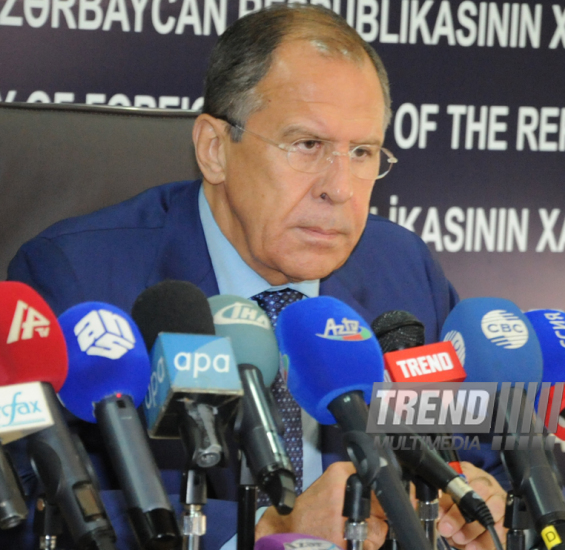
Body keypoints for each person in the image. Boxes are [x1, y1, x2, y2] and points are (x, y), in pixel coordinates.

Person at [5, 5, 507, 550]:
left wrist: (476, 497)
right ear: (215, 150)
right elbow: (33, 511)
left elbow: (475, 456)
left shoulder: (402, 271)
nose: (338, 187)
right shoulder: (77, 278)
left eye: (362, 152)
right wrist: (266, 530)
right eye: (307, 145)